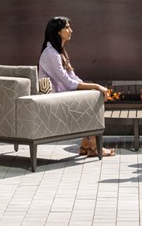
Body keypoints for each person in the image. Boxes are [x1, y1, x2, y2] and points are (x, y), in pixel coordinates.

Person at [37, 16, 115, 157]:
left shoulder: (58, 52)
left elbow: (73, 77)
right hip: (52, 100)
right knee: (93, 99)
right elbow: (68, 82)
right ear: (58, 32)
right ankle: (93, 146)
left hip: (63, 95)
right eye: (67, 27)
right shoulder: (51, 54)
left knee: (92, 95)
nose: (70, 30)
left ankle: (86, 145)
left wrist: (92, 87)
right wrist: (96, 86)